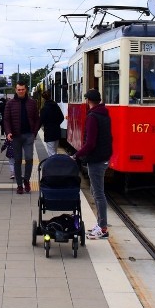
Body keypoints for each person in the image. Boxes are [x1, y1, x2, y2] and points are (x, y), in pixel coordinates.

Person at [72, 89, 113, 240]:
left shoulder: (92, 117)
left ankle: (102, 228)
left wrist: (76, 155)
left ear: (88, 101)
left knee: (98, 194)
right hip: (103, 157)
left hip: (96, 159)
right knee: (98, 192)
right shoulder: (104, 114)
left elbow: (90, 143)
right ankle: (100, 225)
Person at [3, 81, 41, 194]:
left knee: (29, 158)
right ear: (15, 90)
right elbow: (6, 119)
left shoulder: (32, 102)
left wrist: (34, 133)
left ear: (26, 90)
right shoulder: (10, 103)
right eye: (18, 89)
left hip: (29, 135)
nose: (20, 91)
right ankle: (19, 184)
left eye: (22, 89)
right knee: (17, 160)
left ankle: (27, 180)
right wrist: (8, 132)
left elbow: (37, 118)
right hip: (16, 136)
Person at [40, 90, 64, 157]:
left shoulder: (44, 109)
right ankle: (55, 165)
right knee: (55, 151)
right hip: (57, 131)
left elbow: (40, 121)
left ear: (43, 99)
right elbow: (62, 117)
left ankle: (53, 166)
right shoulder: (56, 106)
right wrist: (56, 124)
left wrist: (35, 132)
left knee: (51, 153)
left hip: (49, 132)